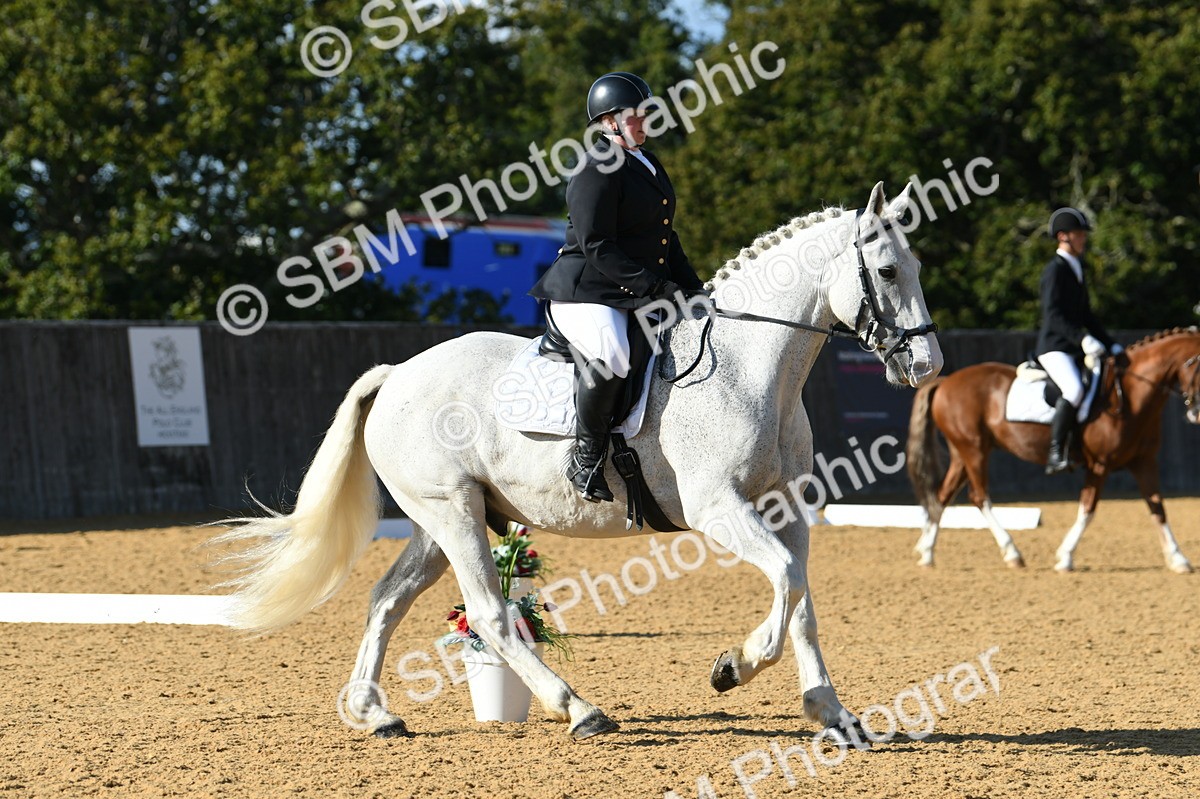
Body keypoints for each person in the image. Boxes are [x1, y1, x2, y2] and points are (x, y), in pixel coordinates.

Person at [529, 71, 705, 503]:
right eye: (638, 113)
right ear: (609, 121)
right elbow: (595, 244)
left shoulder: (647, 163)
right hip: (585, 288)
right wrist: (651, 286)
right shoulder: (595, 166)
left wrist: (696, 290)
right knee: (613, 352)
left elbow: (666, 239)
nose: (647, 119)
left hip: (627, 288)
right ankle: (585, 459)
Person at [1035, 207, 1123, 475]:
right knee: (1073, 390)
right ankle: (1055, 453)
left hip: (1073, 346)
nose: (1084, 239)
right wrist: (1083, 339)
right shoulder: (1055, 271)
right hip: (1054, 347)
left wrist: (1111, 344)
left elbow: (1087, 315)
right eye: (1079, 234)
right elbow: (1053, 315)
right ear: (1063, 236)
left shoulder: (1077, 268)